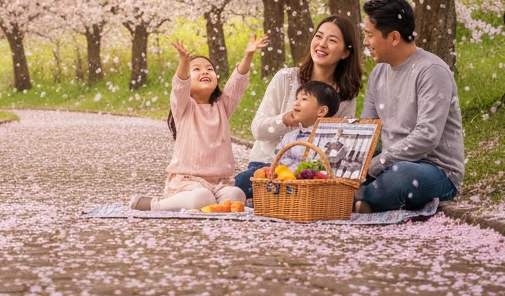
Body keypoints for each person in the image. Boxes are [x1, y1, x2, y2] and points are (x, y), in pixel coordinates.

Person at [130, 33, 269, 211]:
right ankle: (156, 205)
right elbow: (179, 86)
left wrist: (248, 55)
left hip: (220, 183)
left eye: (209, 69)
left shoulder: (223, 106)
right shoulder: (184, 108)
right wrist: (184, 63)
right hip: (188, 182)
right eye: (196, 69)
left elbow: (237, 84)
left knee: (237, 196)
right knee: (201, 197)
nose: (205, 71)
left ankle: (211, 202)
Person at [354, 0, 464, 213]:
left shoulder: (431, 71)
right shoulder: (378, 73)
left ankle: (351, 200)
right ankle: (361, 200)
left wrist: (378, 163)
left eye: (369, 36)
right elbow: (368, 128)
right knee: (342, 170)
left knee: (402, 176)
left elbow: (427, 136)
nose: (365, 42)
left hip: (435, 171)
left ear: (394, 37)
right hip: (388, 164)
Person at [238, 16, 363, 194]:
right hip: (268, 167)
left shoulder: (345, 95)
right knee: (241, 185)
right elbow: (258, 130)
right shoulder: (286, 79)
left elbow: (339, 144)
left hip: (309, 175)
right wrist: (285, 121)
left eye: (332, 40)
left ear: (345, 53)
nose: (322, 44)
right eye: (319, 37)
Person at [236, 79, 341, 191]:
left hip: (310, 185)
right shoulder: (290, 136)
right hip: (284, 181)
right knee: (247, 178)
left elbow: (325, 167)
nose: (296, 103)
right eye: (297, 98)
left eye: (304, 99)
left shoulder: (328, 139)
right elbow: (279, 160)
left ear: (321, 111)